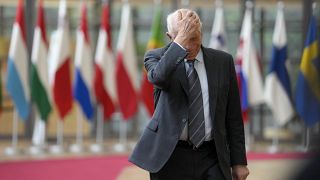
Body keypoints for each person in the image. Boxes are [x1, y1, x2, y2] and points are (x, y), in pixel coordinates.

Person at [129, 8, 249, 180]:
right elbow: (159, 78)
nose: (191, 45)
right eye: (185, 38)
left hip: (212, 155)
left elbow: (233, 117)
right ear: (170, 36)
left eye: (195, 37)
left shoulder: (223, 61)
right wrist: (180, 42)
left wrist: (239, 162)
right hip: (170, 155)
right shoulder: (155, 57)